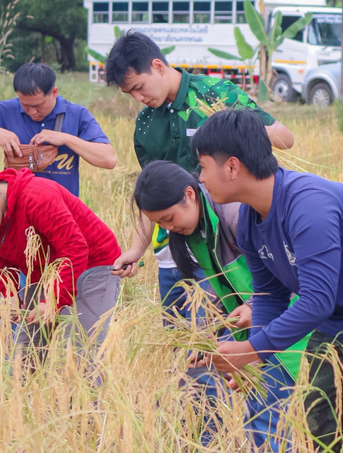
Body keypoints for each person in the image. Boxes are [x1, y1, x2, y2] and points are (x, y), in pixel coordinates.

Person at [191, 110, 343, 453]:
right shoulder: (250, 218)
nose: (200, 178)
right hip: (336, 327)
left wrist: (251, 349)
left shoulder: (308, 204)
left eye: (203, 167)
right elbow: (269, 296)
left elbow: (316, 301)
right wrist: (257, 359)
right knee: (313, 440)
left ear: (232, 167)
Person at [107, 30, 295, 326]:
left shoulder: (214, 95)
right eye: (130, 94)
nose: (138, 98)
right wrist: (135, 249)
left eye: (139, 88)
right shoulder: (145, 124)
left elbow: (285, 138)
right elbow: (153, 194)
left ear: (157, 66)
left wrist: (233, 131)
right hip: (172, 251)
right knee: (180, 342)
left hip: (224, 247)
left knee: (219, 339)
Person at [132, 160, 307, 453]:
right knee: (262, 417)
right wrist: (204, 336)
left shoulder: (236, 215)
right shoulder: (195, 233)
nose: (168, 228)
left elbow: (298, 276)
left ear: (189, 194)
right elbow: (220, 289)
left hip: (290, 326)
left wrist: (253, 307)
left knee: (271, 416)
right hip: (257, 331)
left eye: (169, 218)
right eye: (160, 223)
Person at [0, 168, 121, 368]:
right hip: (45, 271)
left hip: (91, 265)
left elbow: (74, 249)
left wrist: (52, 300)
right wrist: (11, 298)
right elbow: (1, 262)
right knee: (22, 359)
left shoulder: (37, 197)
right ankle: (25, 398)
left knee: (78, 355)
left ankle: (86, 399)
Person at [0, 62, 116, 197]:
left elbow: (108, 160)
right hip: (18, 210)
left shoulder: (77, 114)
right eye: (25, 105)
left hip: (64, 211)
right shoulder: (5, 110)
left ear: (54, 92)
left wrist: (66, 139)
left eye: (38, 106)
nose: (32, 112)